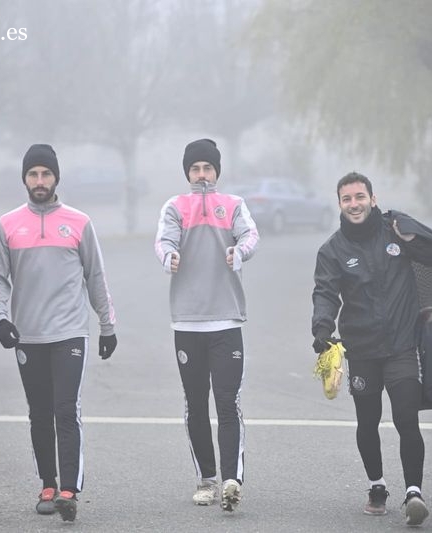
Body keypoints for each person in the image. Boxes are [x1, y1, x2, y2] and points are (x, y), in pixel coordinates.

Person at [0, 144, 117, 522]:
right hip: (27, 336)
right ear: (25, 179)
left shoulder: (79, 222)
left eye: (46, 174)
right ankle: (47, 483)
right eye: (33, 174)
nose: (39, 181)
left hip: (70, 332)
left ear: (56, 178)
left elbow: (96, 276)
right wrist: (1, 320)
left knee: (65, 410)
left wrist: (107, 326)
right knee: (39, 413)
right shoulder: (8, 224)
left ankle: (69, 490)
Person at [311, 172, 432, 527]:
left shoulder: (395, 233)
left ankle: (414, 493)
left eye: (359, 196)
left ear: (372, 198)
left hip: (402, 346)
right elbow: (325, 293)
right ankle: (377, 486)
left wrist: (410, 231)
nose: (354, 204)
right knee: (367, 422)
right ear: (339, 203)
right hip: (362, 349)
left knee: (406, 419)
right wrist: (322, 329)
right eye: (346, 199)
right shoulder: (332, 250)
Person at [154, 138, 259, 512]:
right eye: (195, 168)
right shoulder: (174, 206)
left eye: (207, 168)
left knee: (228, 403)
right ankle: (207, 480)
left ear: (217, 171)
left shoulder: (232, 205)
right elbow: (163, 241)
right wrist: (169, 256)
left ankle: (232, 479)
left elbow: (250, 235)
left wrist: (239, 251)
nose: (202, 174)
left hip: (227, 319)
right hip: (188, 321)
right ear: (187, 172)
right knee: (196, 405)